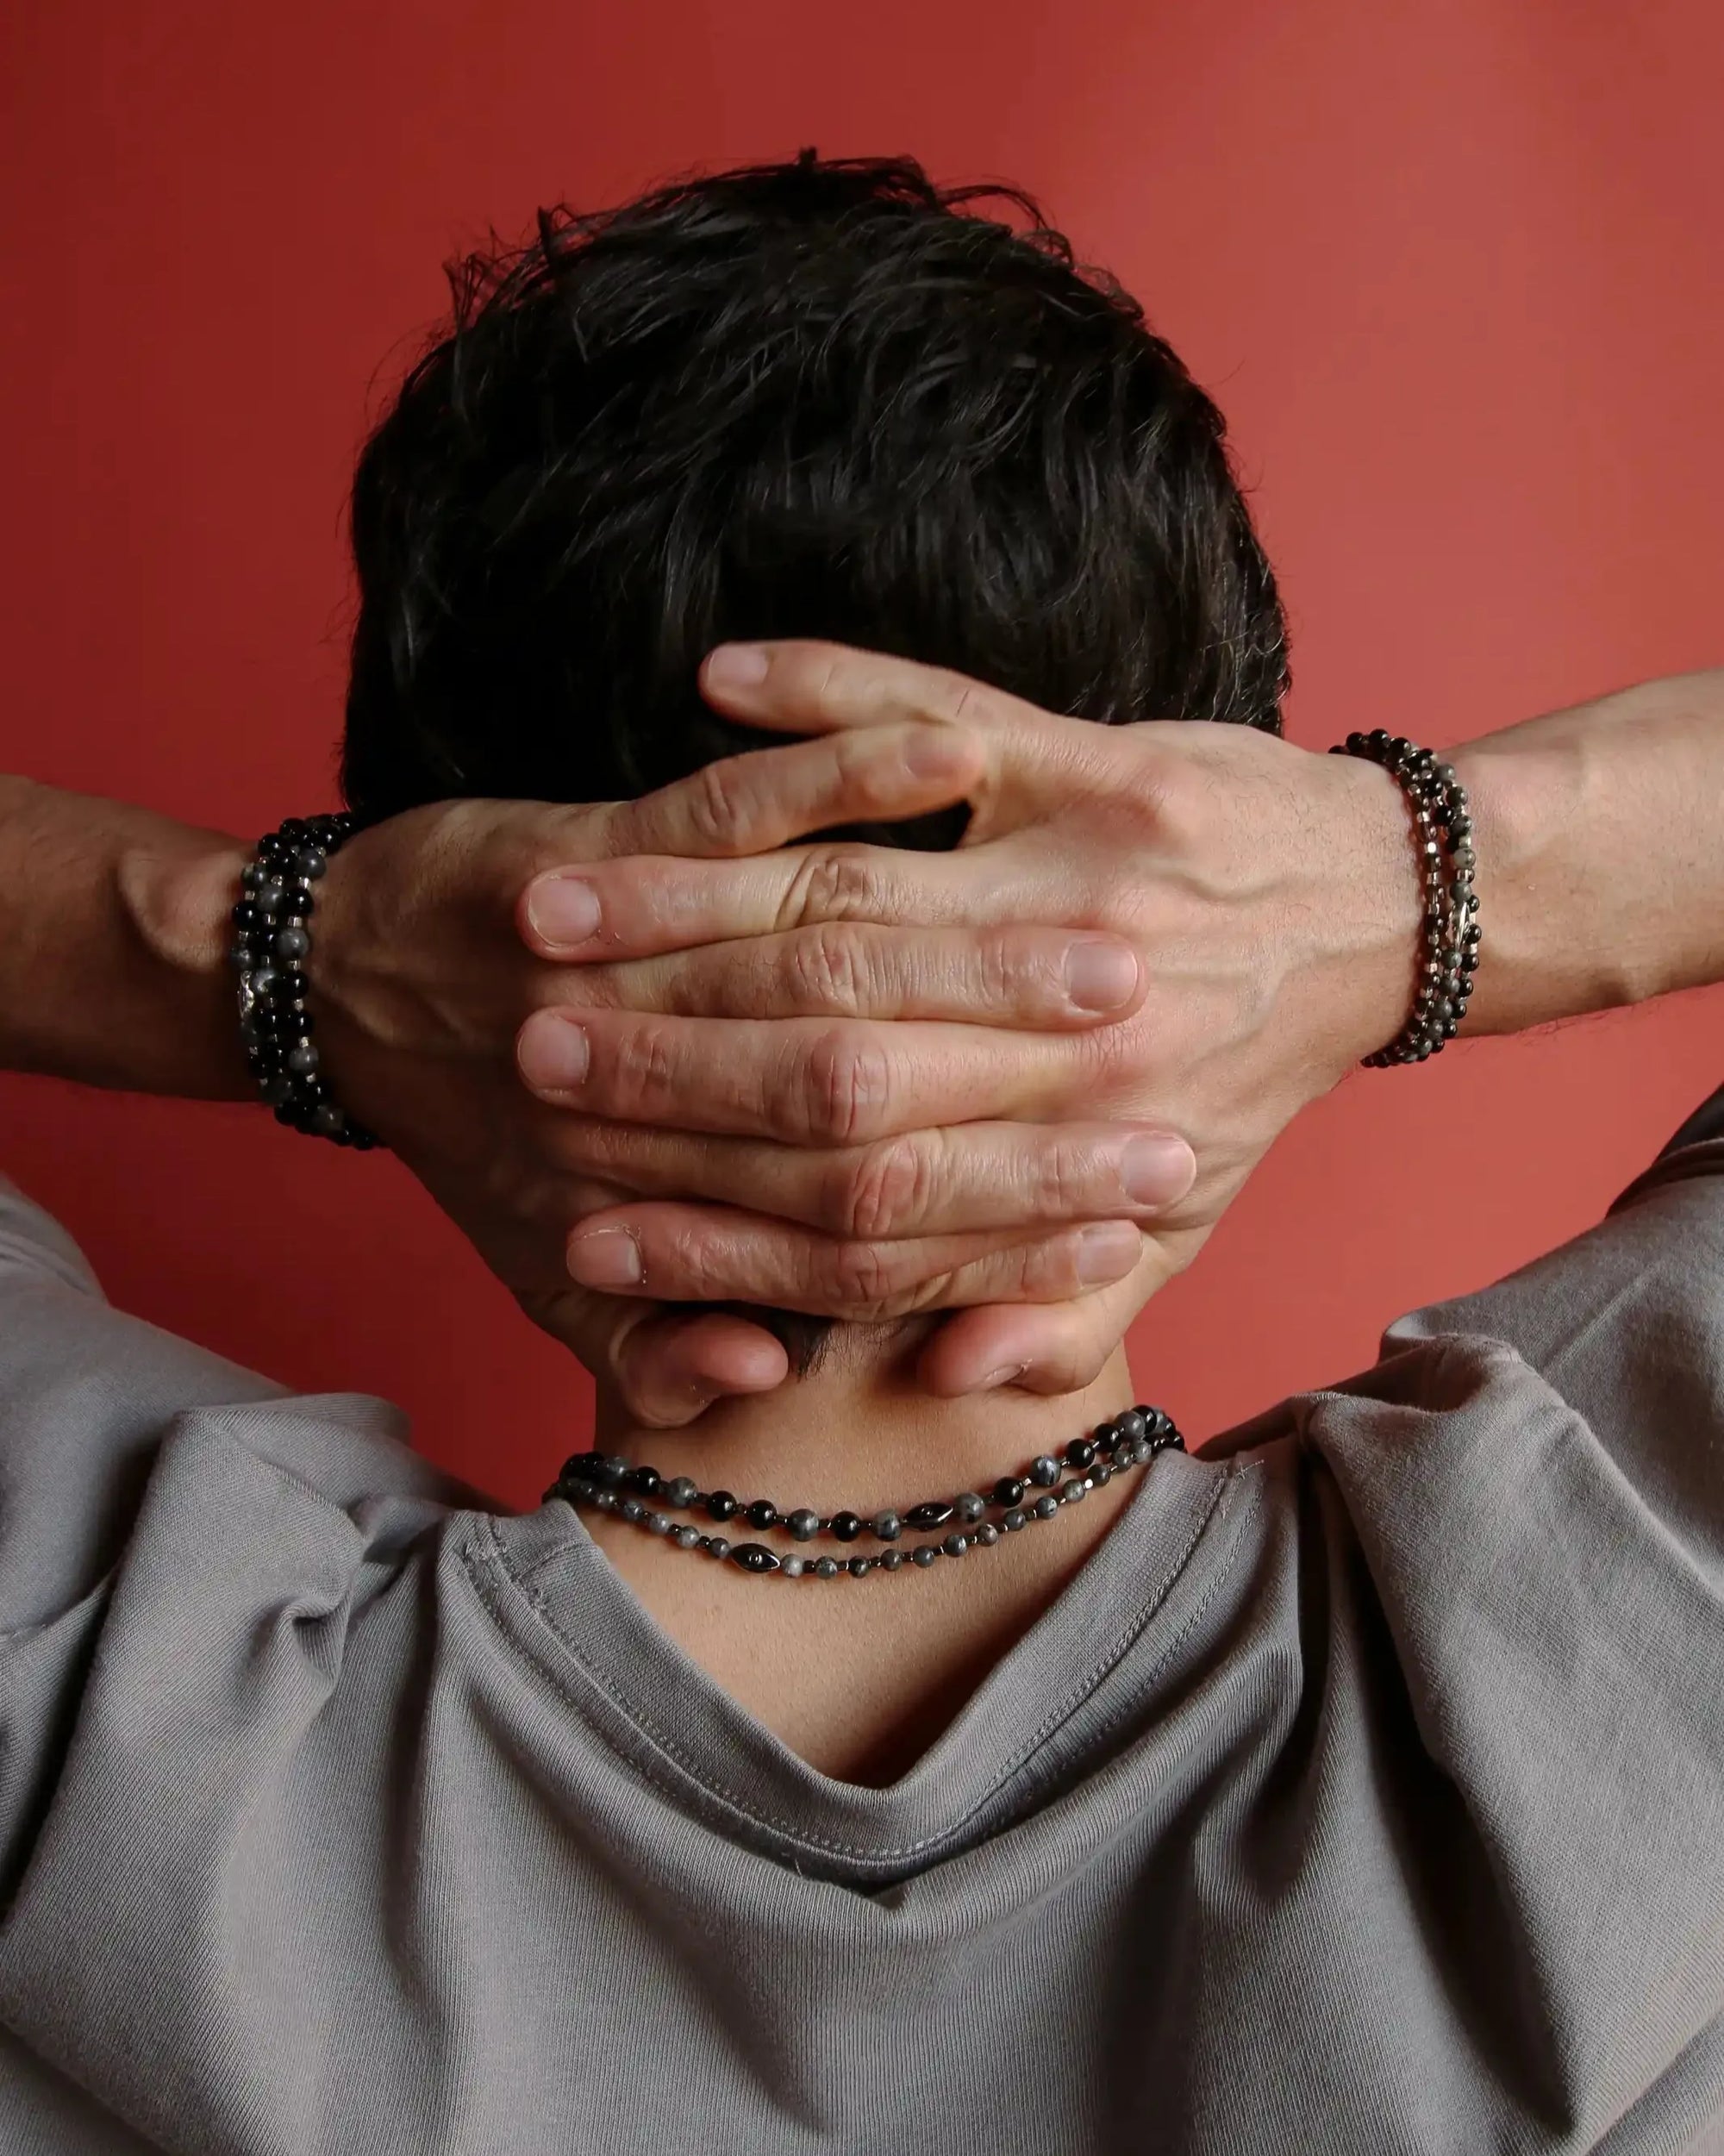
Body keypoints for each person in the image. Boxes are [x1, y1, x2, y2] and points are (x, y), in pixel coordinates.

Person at [1, 153, 1720, 2153]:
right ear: (1210, 849)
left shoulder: (87, 1673)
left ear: (447, 892)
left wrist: (282, 962)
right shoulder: (1630, 1605)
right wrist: (1410, 886)